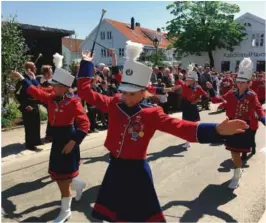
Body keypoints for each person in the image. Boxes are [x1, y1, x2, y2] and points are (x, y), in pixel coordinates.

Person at [77, 41, 248, 222]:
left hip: (137, 171)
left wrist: (216, 130)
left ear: (143, 92)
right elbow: (85, 92)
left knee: (139, 215)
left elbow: (181, 128)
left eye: (132, 93)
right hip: (115, 168)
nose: (126, 97)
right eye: (124, 92)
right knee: (116, 214)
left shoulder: (151, 113)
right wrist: (87, 63)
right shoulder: (114, 104)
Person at [11, 53, 90, 223]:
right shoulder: (53, 97)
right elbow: (37, 92)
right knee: (58, 174)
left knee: (62, 178)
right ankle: (79, 184)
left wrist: (73, 141)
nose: (51, 87)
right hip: (57, 138)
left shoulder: (73, 102)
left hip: (68, 138)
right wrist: (23, 79)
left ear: (63, 87)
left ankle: (65, 211)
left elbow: (85, 124)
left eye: (55, 85)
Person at [210, 58, 266, 189]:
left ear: (249, 83)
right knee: (233, 152)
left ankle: (237, 172)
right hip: (231, 125)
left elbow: (258, 108)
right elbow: (219, 100)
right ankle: (237, 172)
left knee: (238, 152)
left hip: (243, 126)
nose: (240, 84)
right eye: (238, 81)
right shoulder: (231, 93)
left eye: (243, 82)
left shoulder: (252, 95)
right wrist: (211, 91)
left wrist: (263, 119)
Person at [175, 64, 211, 148]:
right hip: (186, 105)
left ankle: (193, 137)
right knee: (186, 124)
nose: (187, 80)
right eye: (187, 79)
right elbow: (179, 80)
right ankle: (188, 141)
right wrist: (178, 70)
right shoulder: (184, 86)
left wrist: (198, 99)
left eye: (189, 79)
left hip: (193, 106)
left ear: (194, 80)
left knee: (193, 124)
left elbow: (206, 95)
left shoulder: (198, 88)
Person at [15, 61, 42, 151]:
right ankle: (30, 145)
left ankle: (36, 141)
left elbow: (37, 90)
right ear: (29, 69)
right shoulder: (23, 79)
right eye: (34, 67)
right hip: (28, 105)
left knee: (36, 124)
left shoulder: (33, 78)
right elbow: (18, 94)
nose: (36, 68)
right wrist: (25, 105)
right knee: (29, 126)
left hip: (34, 103)